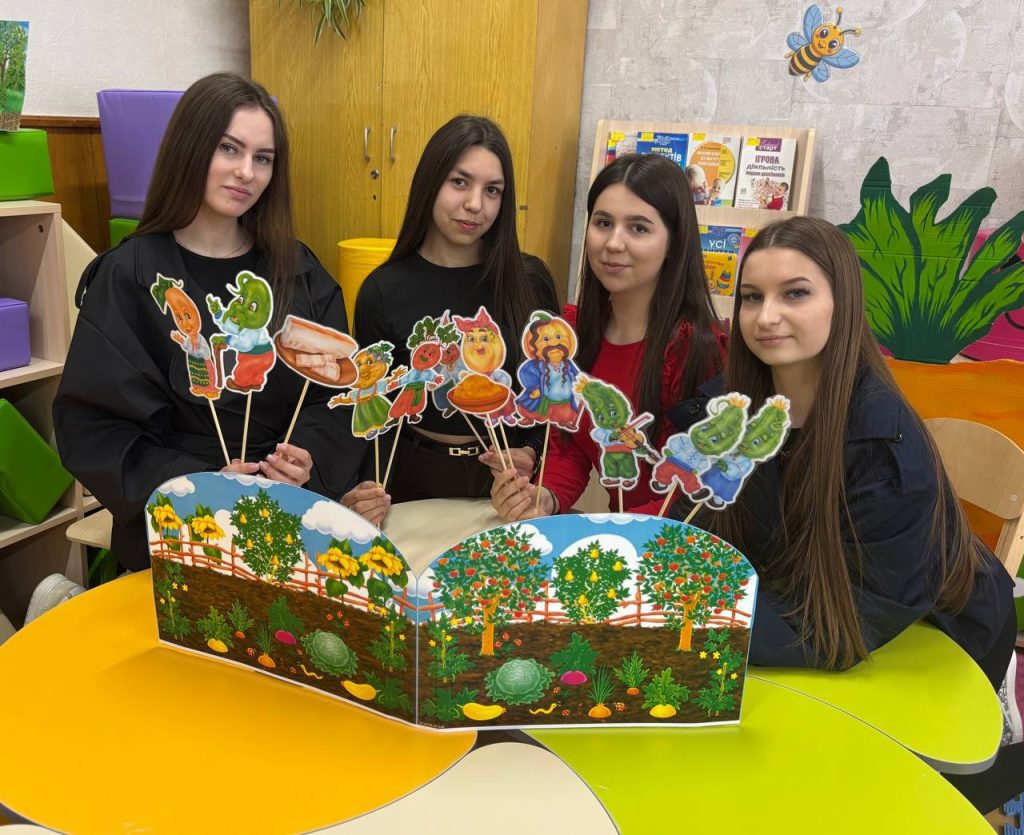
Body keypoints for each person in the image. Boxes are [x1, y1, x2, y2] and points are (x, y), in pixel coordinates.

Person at [667, 215, 1022, 812]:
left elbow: (847, 623)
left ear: (843, 304)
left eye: (795, 293)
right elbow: (706, 523)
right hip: (808, 595)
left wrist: (699, 627)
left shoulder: (884, 450)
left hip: (928, 635)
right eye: (751, 297)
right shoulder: (736, 408)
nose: (766, 316)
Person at [53, 72, 363, 572]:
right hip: (178, 521)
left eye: (263, 158)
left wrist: (308, 461)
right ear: (191, 148)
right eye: (228, 149)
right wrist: (203, 482)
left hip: (288, 510)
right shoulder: (130, 275)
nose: (246, 172)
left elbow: (337, 398)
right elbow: (95, 426)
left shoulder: (299, 272)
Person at [343, 115, 558, 524]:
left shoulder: (529, 282)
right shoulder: (383, 290)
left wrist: (531, 451)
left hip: (507, 487)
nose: (476, 204)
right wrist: (366, 488)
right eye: (460, 182)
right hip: (411, 479)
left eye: (492, 190)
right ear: (430, 182)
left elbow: (549, 396)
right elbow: (374, 409)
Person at [490, 153, 727, 520]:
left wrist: (617, 530)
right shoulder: (571, 333)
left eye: (638, 228)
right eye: (603, 223)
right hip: (619, 536)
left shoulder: (699, 347)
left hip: (678, 541)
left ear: (674, 242)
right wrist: (544, 497)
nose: (614, 243)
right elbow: (569, 444)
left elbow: (698, 493)